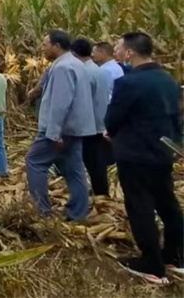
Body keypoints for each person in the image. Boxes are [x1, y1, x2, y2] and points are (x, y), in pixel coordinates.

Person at [106, 32, 183, 284]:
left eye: (118, 47)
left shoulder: (128, 83)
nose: (116, 51)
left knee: (140, 208)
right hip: (163, 153)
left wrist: (112, 134)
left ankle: (152, 265)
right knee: (168, 205)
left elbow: (113, 120)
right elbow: (175, 118)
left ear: (129, 53)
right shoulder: (168, 79)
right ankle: (176, 257)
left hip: (135, 154)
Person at [25, 30, 95, 222]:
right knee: (74, 169)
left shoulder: (63, 67)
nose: (42, 48)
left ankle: (42, 211)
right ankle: (79, 212)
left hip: (61, 129)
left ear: (57, 46)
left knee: (34, 162)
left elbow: (60, 102)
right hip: (75, 129)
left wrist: (54, 132)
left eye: (45, 44)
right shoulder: (77, 64)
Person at [72, 38, 112, 197]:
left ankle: (99, 195)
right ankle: (101, 192)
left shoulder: (85, 73)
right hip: (98, 122)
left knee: (92, 163)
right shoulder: (97, 70)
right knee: (96, 162)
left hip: (89, 126)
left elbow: (82, 102)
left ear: (74, 54)